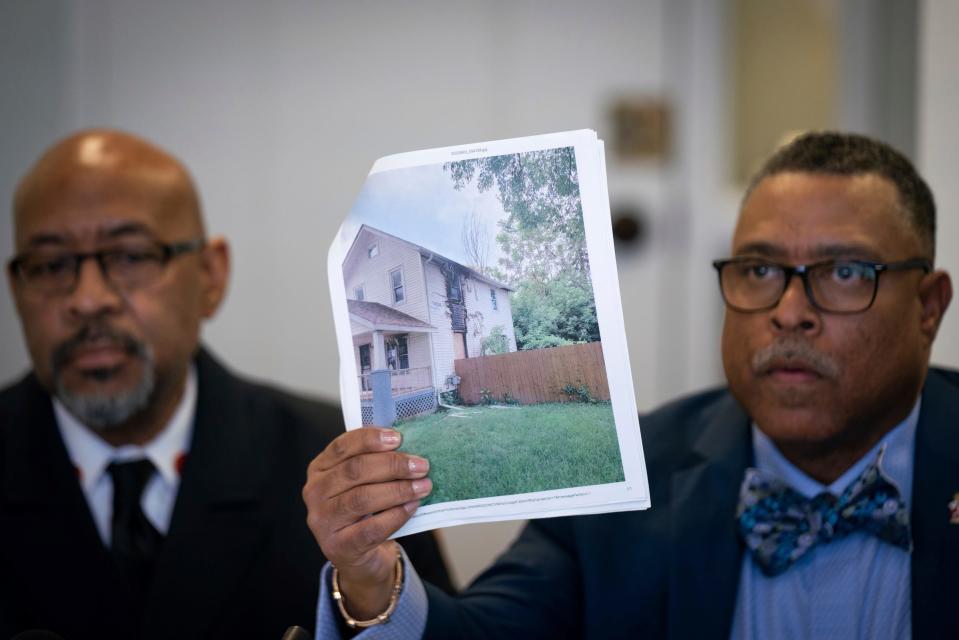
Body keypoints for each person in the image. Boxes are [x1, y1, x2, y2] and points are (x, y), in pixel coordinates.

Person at [303, 131, 958, 639]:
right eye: (759, 268)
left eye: (844, 271)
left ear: (927, 307)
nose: (788, 310)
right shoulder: (632, 480)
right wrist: (369, 580)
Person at [0, 129, 452, 640]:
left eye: (129, 256)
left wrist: (369, 592)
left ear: (210, 276)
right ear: (17, 289)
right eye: (51, 265)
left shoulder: (343, 469)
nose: (88, 299)